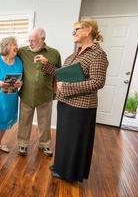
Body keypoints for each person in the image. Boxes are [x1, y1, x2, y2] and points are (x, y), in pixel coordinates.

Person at [42, 18, 109, 182]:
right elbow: (63, 74)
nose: (74, 33)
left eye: (76, 30)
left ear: (88, 30)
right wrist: (47, 64)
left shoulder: (98, 54)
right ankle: (61, 166)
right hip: (65, 103)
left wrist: (69, 88)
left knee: (74, 141)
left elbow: (97, 82)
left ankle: (70, 173)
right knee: (64, 138)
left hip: (81, 107)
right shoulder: (75, 53)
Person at [17, 28, 62, 157]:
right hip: (26, 93)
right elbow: (7, 55)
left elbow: (59, 73)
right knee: (24, 121)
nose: (30, 43)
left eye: (33, 41)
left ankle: (45, 144)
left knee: (45, 123)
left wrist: (47, 63)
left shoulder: (54, 53)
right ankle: (22, 144)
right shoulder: (22, 51)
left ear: (43, 39)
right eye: (29, 40)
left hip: (45, 94)